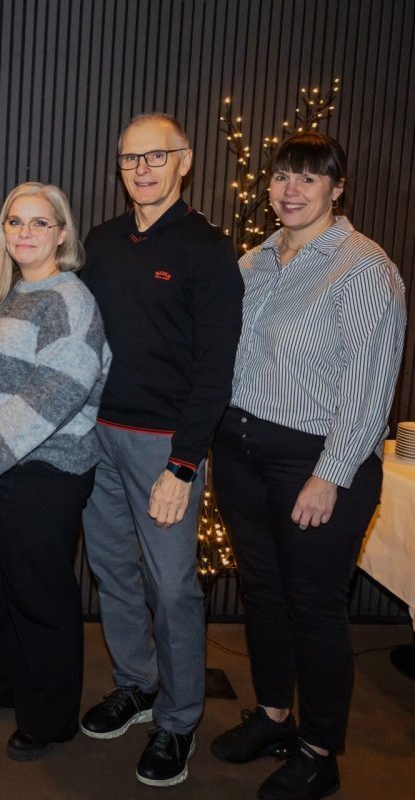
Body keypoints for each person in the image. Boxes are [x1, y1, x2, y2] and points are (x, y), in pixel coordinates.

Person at [210, 132, 406, 800]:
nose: (290, 191)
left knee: (314, 606)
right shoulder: (255, 260)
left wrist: (331, 474)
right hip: (241, 452)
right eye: (282, 177)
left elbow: (369, 389)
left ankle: (321, 753)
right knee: (263, 592)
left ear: (337, 188)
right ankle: (273, 717)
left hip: (315, 462)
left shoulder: (363, 268)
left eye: (309, 179)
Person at [79, 113, 243, 787]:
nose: (142, 169)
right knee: (112, 569)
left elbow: (216, 368)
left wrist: (184, 462)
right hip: (96, 435)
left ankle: (178, 720)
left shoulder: (209, 249)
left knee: (173, 588)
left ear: (185, 161)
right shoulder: (101, 241)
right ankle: (137, 684)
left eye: (156, 156)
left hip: (164, 448)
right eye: (130, 158)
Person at [0, 183, 110, 760]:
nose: (24, 232)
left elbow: (58, 391)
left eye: (39, 223)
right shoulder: (11, 293)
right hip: (0, 466)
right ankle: (15, 680)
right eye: (15, 221)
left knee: (41, 596)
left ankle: (51, 715)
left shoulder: (70, 299)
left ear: (61, 234)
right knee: (3, 587)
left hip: (47, 471)